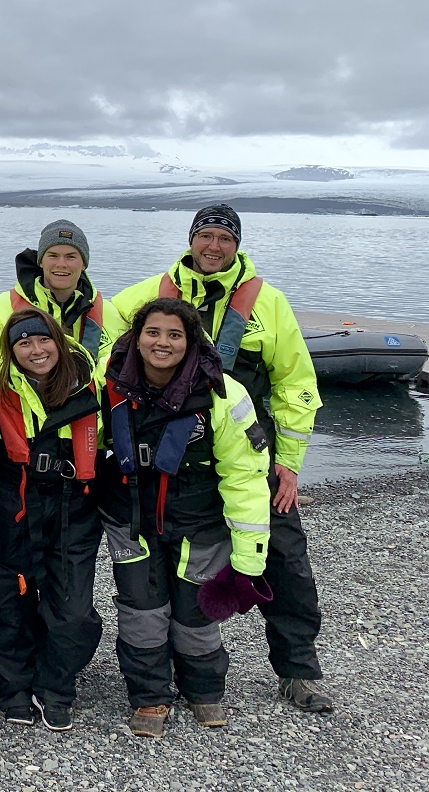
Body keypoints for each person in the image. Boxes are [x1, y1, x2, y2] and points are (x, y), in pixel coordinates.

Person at [111, 204, 331, 712]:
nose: (213, 247)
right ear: (191, 241)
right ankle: (162, 669)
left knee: (286, 560)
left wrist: (290, 463)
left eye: (223, 239)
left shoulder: (268, 303)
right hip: (168, 460)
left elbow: (296, 384)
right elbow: (101, 344)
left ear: (237, 245)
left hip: (247, 452)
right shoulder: (150, 294)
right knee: (163, 567)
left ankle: (299, 669)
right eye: (205, 236)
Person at [99, 298, 272, 738]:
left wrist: (250, 561)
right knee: (141, 611)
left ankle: (204, 691)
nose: (162, 342)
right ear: (136, 338)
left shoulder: (225, 396)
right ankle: (150, 696)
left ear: (191, 341)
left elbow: (247, 480)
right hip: (131, 522)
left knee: (197, 614)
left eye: (175, 335)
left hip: (201, 526)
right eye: (152, 332)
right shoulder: (108, 388)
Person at [0, 307, 103, 731]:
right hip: (12, 508)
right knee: (8, 604)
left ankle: (56, 686)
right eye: (24, 343)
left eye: (43, 339)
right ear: (10, 351)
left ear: (58, 341)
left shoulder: (92, 385)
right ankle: (14, 686)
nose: (35, 350)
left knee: (73, 611)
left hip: (74, 511)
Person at [0, 220, 126, 364]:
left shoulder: (108, 313)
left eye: (71, 257)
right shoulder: (4, 306)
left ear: (84, 263)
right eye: (53, 256)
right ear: (40, 261)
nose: (61, 264)